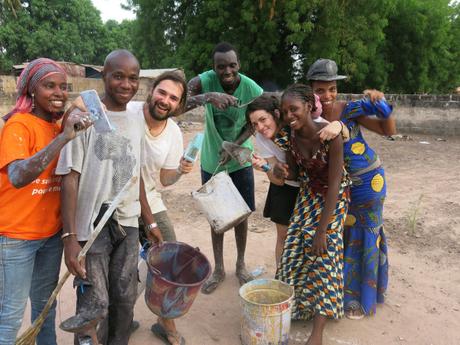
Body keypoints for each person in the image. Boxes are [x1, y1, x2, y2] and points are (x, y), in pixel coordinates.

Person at [56, 50, 160, 345]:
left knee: (125, 298)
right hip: (92, 229)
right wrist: (70, 238)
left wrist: (149, 223)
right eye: (118, 76)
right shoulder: (84, 118)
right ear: (104, 76)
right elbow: (70, 178)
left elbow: (134, 173)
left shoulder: (137, 118)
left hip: (126, 224)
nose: (126, 84)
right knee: (94, 304)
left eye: (133, 78)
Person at [0, 58, 90, 345]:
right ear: (30, 90)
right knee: (11, 314)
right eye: (49, 85)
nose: (59, 93)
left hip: (50, 237)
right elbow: (17, 175)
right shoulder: (18, 126)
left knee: (45, 308)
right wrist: (63, 138)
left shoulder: (59, 126)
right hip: (16, 238)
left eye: (64, 87)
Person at [307, 58, 396, 319]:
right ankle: (343, 293)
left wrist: (382, 105)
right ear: (310, 89)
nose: (327, 95)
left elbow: (387, 130)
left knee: (365, 236)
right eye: (320, 90)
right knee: (344, 235)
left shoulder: (349, 109)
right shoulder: (307, 115)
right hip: (341, 188)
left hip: (369, 182)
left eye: (332, 88)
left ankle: (362, 300)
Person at [274, 83, 350, 345]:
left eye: (293, 109)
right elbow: (294, 174)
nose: (289, 116)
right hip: (308, 194)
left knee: (324, 255)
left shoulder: (330, 136)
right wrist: (280, 172)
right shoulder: (290, 136)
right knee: (293, 249)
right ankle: (296, 308)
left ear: (308, 106)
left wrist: (322, 230)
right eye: (284, 112)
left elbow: (335, 183)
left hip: (334, 197)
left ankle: (317, 332)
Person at [186, 42, 263, 294]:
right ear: (214, 68)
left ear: (238, 64)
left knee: (241, 214)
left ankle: (240, 265)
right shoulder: (205, 81)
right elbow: (180, 101)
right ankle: (218, 268)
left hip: (239, 158)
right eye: (221, 67)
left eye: (232, 65)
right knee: (216, 216)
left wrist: (234, 145)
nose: (227, 71)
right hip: (211, 159)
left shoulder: (251, 88)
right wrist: (209, 97)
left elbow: (255, 123)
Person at [137, 71, 193, 345]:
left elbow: (164, 180)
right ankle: (117, 319)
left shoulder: (173, 131)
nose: (165, 100)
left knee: (170, 259)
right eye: (162, 92)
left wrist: (181, 171)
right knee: (121, 267)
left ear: (179, 105)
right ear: (151, 90)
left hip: (150, 199)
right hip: (116, 201)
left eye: (173, 98)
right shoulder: (129, 112)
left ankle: (164, 320)